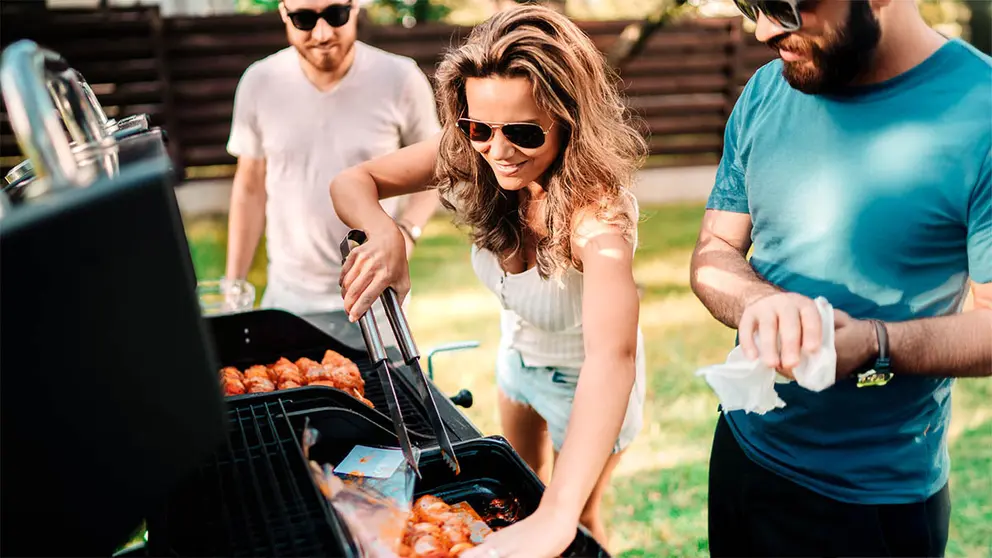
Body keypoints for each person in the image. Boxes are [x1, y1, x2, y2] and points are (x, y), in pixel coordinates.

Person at [330, 5, 648, 556]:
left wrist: (558, 514)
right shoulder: (471, 155)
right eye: (479, 127)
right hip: (517, 365)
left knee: (574, 520)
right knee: (515, 506)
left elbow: (611, 358)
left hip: (588, 385)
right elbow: (351, 182)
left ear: (570, 120)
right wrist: (384, 232)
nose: (497, 152)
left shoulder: (597, 219)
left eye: (523, 131)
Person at [690, 0, 991, 556]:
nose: (761, 30)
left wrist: (876, 344)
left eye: (783, 6)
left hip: (873, 501)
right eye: (748, 4)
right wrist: (762, 302)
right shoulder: (765, 90)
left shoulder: (983, 113)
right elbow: (715, 249)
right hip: (742, 449)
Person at [224, 0, 440, 314]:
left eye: (335, 15)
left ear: (355, 8)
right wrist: (234, 285)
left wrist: (407, 232)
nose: (323, 34)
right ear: (284, 13)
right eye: (304, 19)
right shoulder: (259, 83)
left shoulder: (401, 78)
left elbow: (435, 172)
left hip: (377, 295)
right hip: (289, 298)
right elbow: (250, 189)